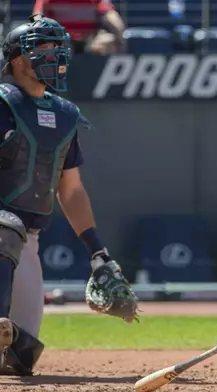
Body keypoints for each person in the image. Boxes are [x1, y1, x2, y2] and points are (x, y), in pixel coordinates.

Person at [0, 14, 139, 377]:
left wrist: (98, 253)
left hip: (24, 240)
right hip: (1, 231)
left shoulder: (62, 115)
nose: (55, 56)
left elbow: (72, 191)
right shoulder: (1, 104)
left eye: (57, 49)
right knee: (5, 225)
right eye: (44, 49)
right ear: (18, 60)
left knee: (22, 354)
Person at [33, 0, 126, 55]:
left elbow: (111, 15)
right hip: (61, 40)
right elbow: (37, 16)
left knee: (107, 42)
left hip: (90, 39)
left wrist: (119, 38)